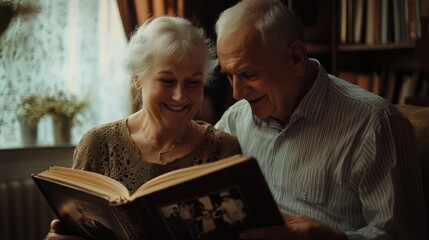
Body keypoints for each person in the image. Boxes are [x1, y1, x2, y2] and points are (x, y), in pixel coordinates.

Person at [214, 0, 427, 239]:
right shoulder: (235, 120)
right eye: (229, 76)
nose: (236, 93)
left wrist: (333, 238)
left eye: (248, 74)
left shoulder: (375, 126)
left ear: (296, 57)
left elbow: (404, 235)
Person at [44, 15, 241, 240]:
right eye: (167, 81)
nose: (180, 95)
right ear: (138, 78)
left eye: (193, 82)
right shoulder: (98, 143)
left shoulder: (221, 150)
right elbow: (64, 230)